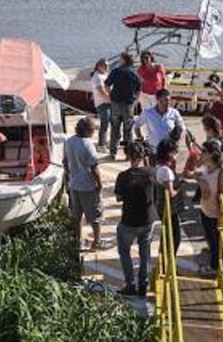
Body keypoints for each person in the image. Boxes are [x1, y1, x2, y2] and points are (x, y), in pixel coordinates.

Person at [114, 142, 155, 296]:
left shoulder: (123, 177)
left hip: (129, 221)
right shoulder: (150, 174)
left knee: (124, 252)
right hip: (147, 220)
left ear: (127, 155)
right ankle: (143, 284)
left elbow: (119, 197)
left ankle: (130, 284)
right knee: (145, 254)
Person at [63, 117, 104, 250]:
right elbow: (94, 168)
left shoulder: (68, 141)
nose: (93, 132)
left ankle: (78, 241)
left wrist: (69, 176)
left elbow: (65, 161)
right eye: (92, 130)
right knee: (95, 215)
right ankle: (97, 242)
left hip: (74, 185)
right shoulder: (87, 144)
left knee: (77, 215)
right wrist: (99, 184)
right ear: (87, 131)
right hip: (88, 186)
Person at [195, 148, 223, 275]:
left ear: (211, 154)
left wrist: (221, 215)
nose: (201, 154)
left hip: (216, 214)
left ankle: (218, 268)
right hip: (206, 211)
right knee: (212, 241)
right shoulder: (207, 167)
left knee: (219, 243)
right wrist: (200, 181)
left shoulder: (222, 172)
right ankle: (216, 263)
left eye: (204, 152)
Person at [104, 52, 141, 160]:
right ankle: (128, 154)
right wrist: (135, 101)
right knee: (128, 129)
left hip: (115, 103)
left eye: (120, 59)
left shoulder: (116, 71)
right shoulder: (134, 73)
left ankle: (113, 152)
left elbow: (107, 84)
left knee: (115, 128)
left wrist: (110, 95)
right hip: (129, 104)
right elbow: (139, 90)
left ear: (124, 60)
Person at [132, 88, 185, 162]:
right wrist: (141, 139)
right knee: (153, 173)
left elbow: (182, 129)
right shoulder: (148, 113)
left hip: (169, 153)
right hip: (154, 152)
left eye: (169, 100)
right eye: (165, 100)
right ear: (158, 100)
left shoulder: (174, 113)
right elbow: (137, 125)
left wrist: (177, 141)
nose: (168, 103)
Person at [154, 139, 183, 255]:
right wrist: (181, 188)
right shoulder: (166, 172)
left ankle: (166, 264)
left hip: (164, 209)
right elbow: (171, 193)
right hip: (168, 210)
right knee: (174, 238)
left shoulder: (160, 167)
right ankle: (168, 265)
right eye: (175, 152)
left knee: (167, 236)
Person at [90, 58, 113, 152]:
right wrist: (112, 100)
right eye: (105, 65)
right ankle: (101, 144)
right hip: (102, 103)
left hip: (108, 102)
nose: (107, 67)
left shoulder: (105, 75)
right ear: (99, 66)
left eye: (108, 65)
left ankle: (105, 141)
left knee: (110, 123)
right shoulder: (97, 77)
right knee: (104, 124)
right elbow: (101, 91)